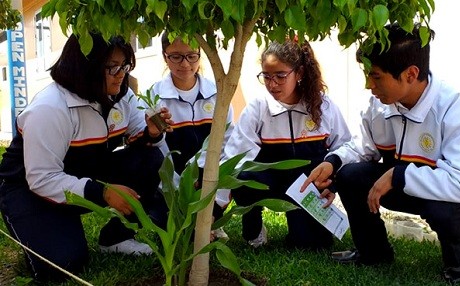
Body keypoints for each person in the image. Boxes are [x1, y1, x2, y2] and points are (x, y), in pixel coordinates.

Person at [301, 23, 460, 284]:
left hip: (446, 194)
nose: (368, 85)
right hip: (398, 185)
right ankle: (373, 252)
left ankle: (457, 265)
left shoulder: (458, 111)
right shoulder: (380, 105)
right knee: (350, 175)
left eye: (376, 76)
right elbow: (362, 147)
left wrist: (397, 176)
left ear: (411, 74)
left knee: (445, 210)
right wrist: (332, 162)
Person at [0, 33, 174, 282]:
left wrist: (152, 133)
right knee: (64, 264)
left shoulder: (121, 95)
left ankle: (116, 238)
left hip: (82, 173)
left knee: (149, 158)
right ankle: (39, 232)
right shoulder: (50, 108)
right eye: (112, 67)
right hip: (28, 189)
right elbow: (41, 177)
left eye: (124, 65)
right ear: (84, 66)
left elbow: (142, 140)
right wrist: (101, 192)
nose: (121, 74)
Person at [224, 39, 351, 249]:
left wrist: (332, 183)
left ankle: (304, 227)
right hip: (269, 182)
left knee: (311, 246)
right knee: (243, 176)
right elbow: (235, 157)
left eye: (280, 76)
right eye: (266, 76)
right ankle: (254, 232)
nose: (272, 84)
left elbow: (345, 146)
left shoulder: (323, 106)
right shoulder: (258, 108)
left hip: (306, 189)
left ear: (299, 73)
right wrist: (216, 208)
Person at [146, 32, 234, 239]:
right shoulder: (154, 97)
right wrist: (181, 185)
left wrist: (203, 172)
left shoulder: (217, 94)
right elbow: (157, 154)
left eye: (191, 56)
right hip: (172, 181)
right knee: (177, 232)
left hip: (210, 173)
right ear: (164, 55)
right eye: (175, 56)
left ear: (199, 55)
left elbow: (227, 142)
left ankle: (212, 218)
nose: (185, 64)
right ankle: (182, 218)